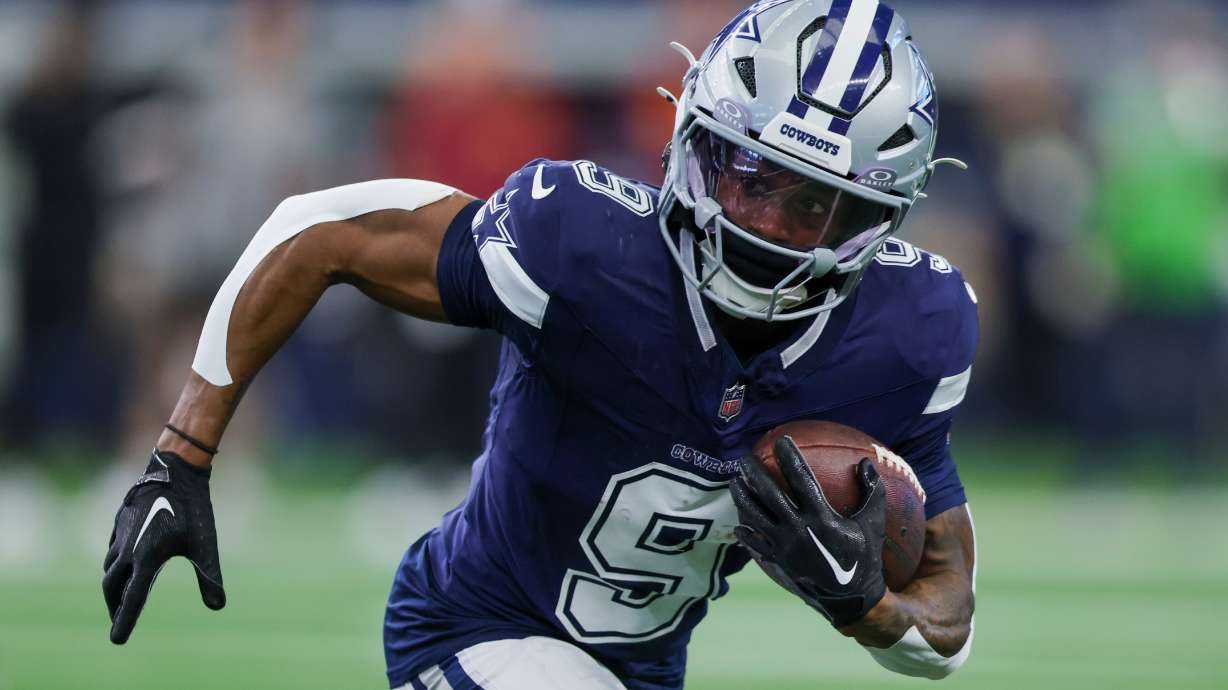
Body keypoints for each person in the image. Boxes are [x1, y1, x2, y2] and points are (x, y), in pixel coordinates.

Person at [101, 1, 978, 687]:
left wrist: (865, 606)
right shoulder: (583, 246)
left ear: (877, 219)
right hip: (473, 625)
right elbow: (320, 229)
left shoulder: (911, 336)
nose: (758, 222)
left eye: (810, 203)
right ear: (691, 132)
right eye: (744, 173)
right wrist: (182, 455)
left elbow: (948, 628)